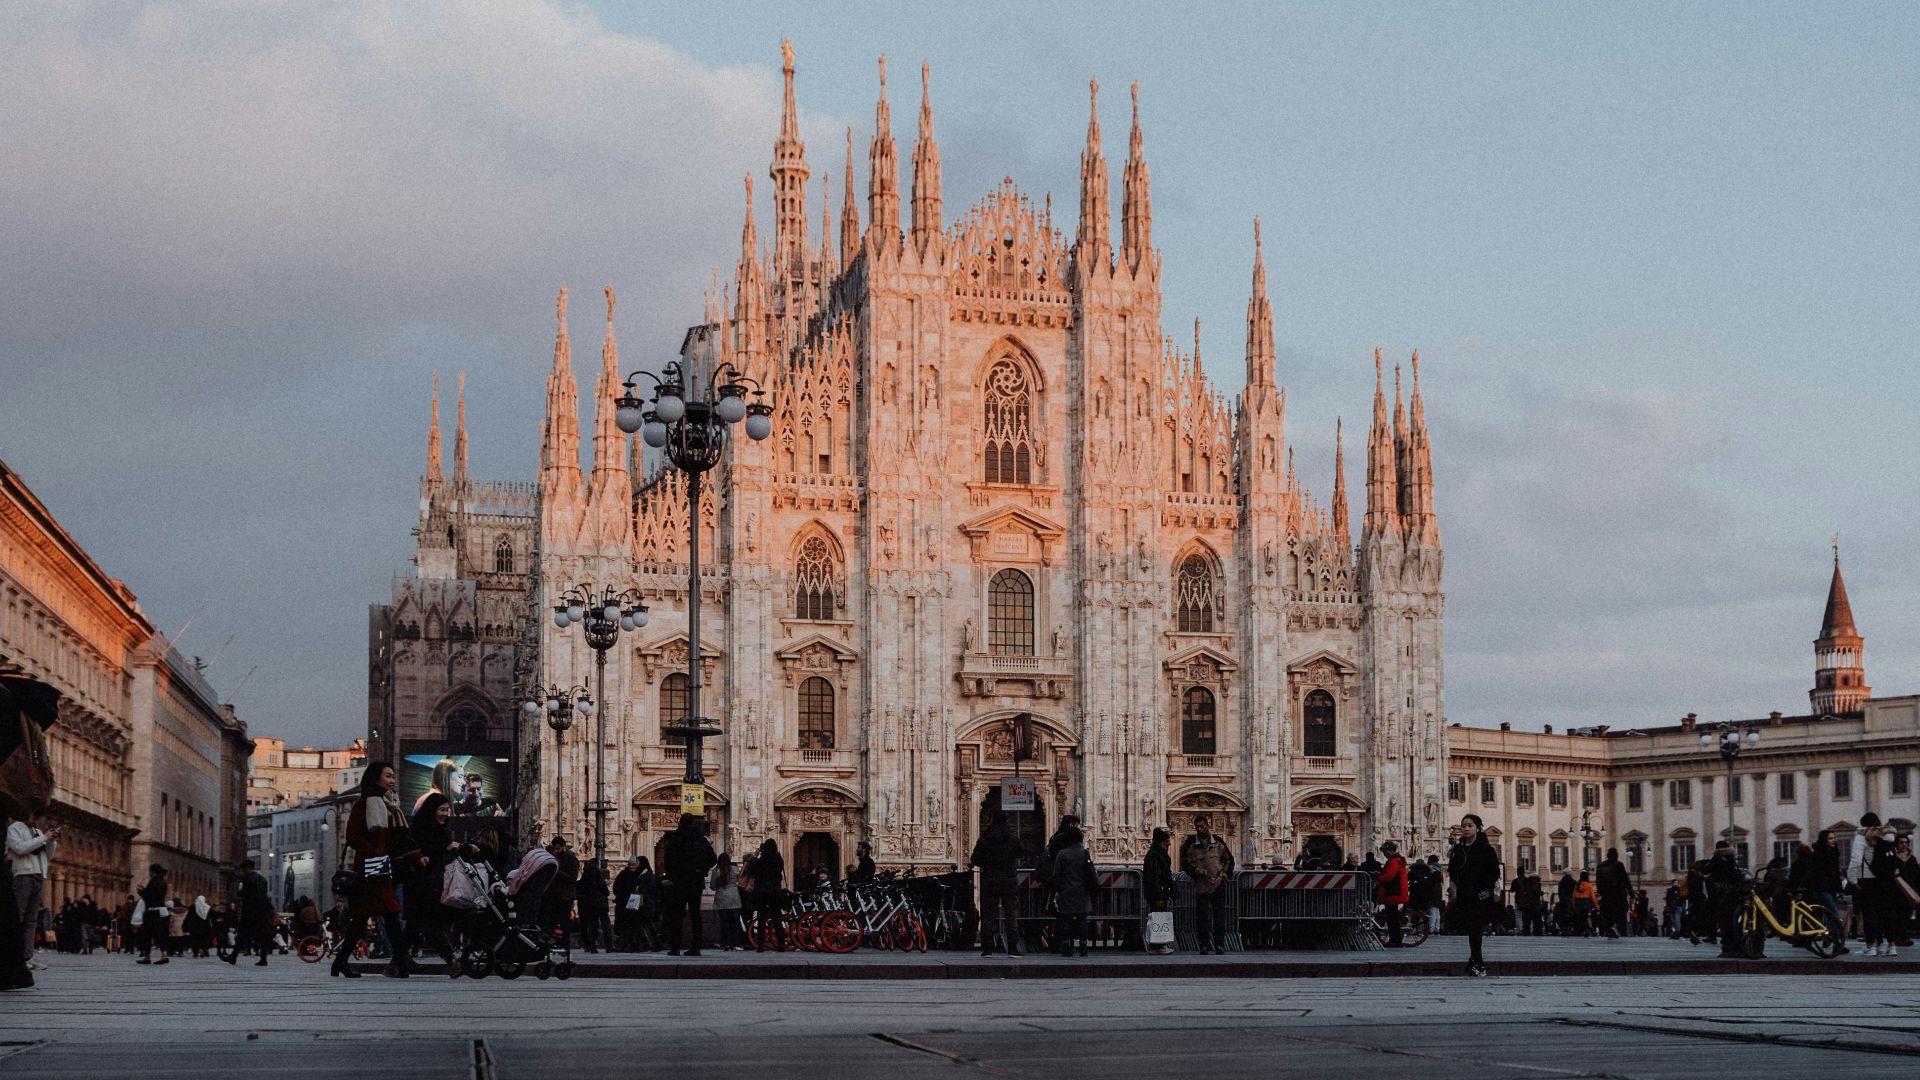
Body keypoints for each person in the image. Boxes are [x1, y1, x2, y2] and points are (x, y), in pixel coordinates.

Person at [337, 761, 421, 979]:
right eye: (388, 776)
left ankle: (341, 962)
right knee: (388, 913)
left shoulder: (391, 807)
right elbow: (353, 836)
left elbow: (398, 840)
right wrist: (374, 852)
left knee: (365, 917)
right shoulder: (364, 804)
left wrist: (414, 856)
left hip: (383, 866)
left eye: (393, 776)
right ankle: (402, 962)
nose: (392, 780)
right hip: (370, 867)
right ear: (375, 778)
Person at [406, 793, 460, 964]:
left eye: (447, 810)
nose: (445, 814)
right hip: (421, 883)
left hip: (434, 882)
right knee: (432, 922)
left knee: (415, 925)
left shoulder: (442, 829)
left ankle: (397, 962)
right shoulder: (420, 829)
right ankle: (451, 960)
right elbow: (422, 850)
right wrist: (446, 848)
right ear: (432, 810)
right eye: (441, 810)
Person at [7, 812, 60, 972]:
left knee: (32, 920)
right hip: (23, 875)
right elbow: (20, 848)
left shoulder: (36, 831)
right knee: (18, 917)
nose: (39, 821)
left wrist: (52, 841)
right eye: (36, 817)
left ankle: (28, 956)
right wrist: (44, 838)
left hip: (38, 876)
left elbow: (47, 855)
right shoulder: (14, 828)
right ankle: (14, 957)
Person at [1448, 814, 1500, 977]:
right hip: (1464, 893)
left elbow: (1494, 872)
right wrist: (1454, 887)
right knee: (1471, 928)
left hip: (1480, 894)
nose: (1466, 828)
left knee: (1475, 928)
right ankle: (1474, 960)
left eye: (1470, 825)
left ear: (1478, 828)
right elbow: (1452, 870)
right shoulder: (1458, 849)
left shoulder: (1486, 849)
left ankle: (1478, 963)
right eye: (1463, 826)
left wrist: (1484, 889)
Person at [661, 815, 717, 956]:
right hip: (696, 881)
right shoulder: (701, 839)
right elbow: (713, 859)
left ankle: (675, 947)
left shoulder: (676, 838)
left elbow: (668, 860)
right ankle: (696, 947)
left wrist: (672, 876)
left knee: (677, 915)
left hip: (679, 882)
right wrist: (701, 870)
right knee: (695, 915)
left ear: (680, 823)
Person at [970, 811, 1023, 956]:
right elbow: (1020, 853)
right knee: (1011, 914)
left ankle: (987, 948)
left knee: (988, 914)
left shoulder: (985, 839)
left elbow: (974, 859)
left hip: (990, 880)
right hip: (1009, 881)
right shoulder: (1012, 838)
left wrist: (987, 863)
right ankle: (1012, 947)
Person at [1180, 816, 1234, 954]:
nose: (1199, 829)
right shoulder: (1191, 843)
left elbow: (1229, 860)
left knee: (1219, 915)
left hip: (1218, 883)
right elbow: (1184, 862)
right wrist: (1195, 871)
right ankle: (1204, 944)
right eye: (1197, 827)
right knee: (1202, 916)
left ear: (1207, 825)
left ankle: (1219, 944)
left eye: (1202, 826)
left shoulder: (1218, 842)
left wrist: (1224, 876)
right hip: (1201, 884)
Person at [1049, 823, 1098, 958]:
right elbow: (1091, 872)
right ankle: (1083, 947)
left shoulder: (1062, 854)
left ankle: (1066, 946)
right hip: (1082, 891)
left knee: (1066, 920)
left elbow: (1056, 875)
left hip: (1067, 891)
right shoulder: (1084, 853)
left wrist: (1056, 889)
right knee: (1082, 920)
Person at [1705, 840, 1746, 959]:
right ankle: (1737, 946)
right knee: (1734, 921)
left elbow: (1707, 870)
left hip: (1722, 894)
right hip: (1734, 894)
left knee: (1725, 921)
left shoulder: (1717, 859)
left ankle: (1727, 948)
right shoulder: (1731, 859)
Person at [230, 859, 274, 966]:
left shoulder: (247, 879)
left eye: (243, 869)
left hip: (249, 910)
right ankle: (263, 958)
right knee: (261, 935)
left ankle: (233, 956)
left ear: (247, 868)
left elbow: (246, 894)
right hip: (262, 911)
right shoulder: (262, 879)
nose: (242, 872)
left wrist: (239, 892)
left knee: (241, 934)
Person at [745, 836, 784, 952]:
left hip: (762, 891)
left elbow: (751, 871)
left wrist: (755, 855)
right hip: (775, 891)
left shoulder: (761, 860)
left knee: (761, 918)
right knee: (776, 918)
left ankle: (761, 945)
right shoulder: (778, 859)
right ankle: (781, 944)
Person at [541, 836, 579, 947]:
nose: (556, 851)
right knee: (552, 918)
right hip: (555, 894)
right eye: (554, 849)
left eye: (558, 849)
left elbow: (572, 878)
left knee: (564, 920)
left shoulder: (571, 859)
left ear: (563, 847)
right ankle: (550, 941)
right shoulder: (556, 857)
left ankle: (565, 944)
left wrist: (557, 871)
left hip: (566, 896)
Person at [1143, 827, 1175, 955]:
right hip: (1158, 892)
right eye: (1167, 841)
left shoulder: (1156, 854)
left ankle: (1157, 945)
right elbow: (1154, 877)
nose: (1169, 843)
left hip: (1158, 892)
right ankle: (1159, 945)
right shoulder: (1156, 855)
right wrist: (1159, 896)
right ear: (1161, 842)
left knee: (1158, 916)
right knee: (1159, 917)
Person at [1375, 841, 1410, 947]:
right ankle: (1395, 940)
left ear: (1390, 850)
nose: (1384, 854)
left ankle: (1395, 941)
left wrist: (1379, 877)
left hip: (1393, 892)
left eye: (1385, 852)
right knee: (1393, 918)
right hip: (1395, 891)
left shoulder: (1394, 861)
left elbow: (1389, 876)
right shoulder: (1397, 860)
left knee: (1392, 919)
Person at [134, 864, 170, 965]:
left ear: (153, 872)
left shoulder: (153, 881)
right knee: (161, 934)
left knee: (147, 934)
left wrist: (141, 891)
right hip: (162, 911)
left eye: (150, 871)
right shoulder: (163, 882)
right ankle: (164, 955)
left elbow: (148, 896)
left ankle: (147, 957)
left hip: (152, 911)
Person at [577, 857, 611, 954]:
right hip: (600, 903)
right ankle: (608, 946)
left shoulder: (584, 876)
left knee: (593, 925)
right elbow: (605, 890)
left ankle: (592, 946)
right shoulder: (597, 874)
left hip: (589, 904)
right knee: (605, 924)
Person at [711, 853, 744, 951]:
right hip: (734, 897)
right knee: (735, 922)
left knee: (724, 922)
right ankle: (736, 943)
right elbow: (741, 881)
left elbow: (712, 887)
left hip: (721, 898)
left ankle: (725, 943)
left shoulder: (716, 871)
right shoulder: (735, 869)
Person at [1596, 848, 1631, 939]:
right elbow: (1625, 879)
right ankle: (1622, 933)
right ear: (1616, 855)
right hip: (1619, 895)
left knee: (1608, 915)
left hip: (1606, 895)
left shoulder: (1601, 866)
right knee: (1621, 916)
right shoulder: (1619, 865)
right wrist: (1631, 893)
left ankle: (1609, 931)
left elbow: (1598, 881)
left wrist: (1601, 892)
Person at [1512, 870, 1543, 935]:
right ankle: (1537, 931)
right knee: (1536, 918)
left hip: (1525, 904)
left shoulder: (1525, 883)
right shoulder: (1536, 882)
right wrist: (1541, 893)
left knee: (1526, 919)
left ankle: (1526, 931)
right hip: (1533, 904)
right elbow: (1536, 890)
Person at [1569, 872, 1599, 936]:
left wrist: (1573, 905)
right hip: (1586, 902)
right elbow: (1593, 897)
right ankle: (1588, 930)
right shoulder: (1589, 885)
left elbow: (1573, 896)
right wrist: (1597, 906)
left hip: (1578, 902)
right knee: (1587, 917)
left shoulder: (1577, 885)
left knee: (1579, 917)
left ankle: (1579, 931)